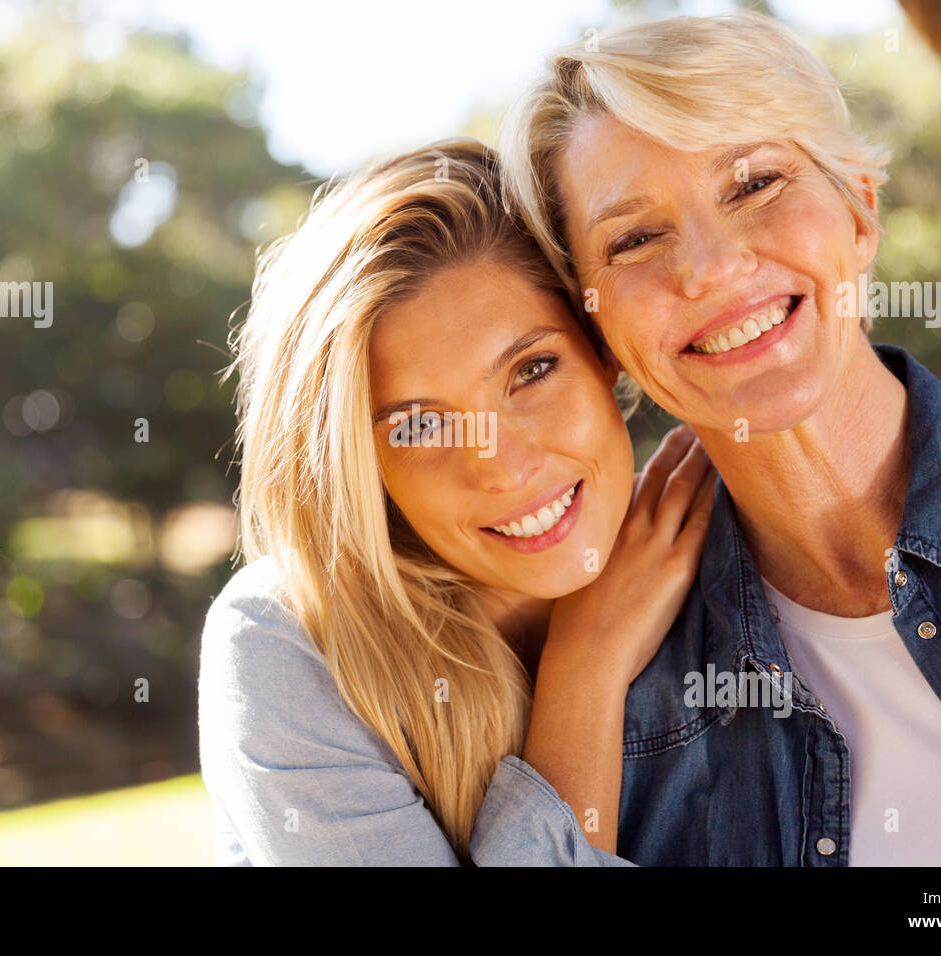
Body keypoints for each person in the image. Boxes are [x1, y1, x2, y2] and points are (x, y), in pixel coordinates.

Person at [499, 11, 941, 865]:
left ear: (859, 212)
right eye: (633, 239)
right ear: (596, 333)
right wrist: (579, 677)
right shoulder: (583, 685)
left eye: (755, 184)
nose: (710, 267)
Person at [198, 138, 715, 865]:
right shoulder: (290, 640)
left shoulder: (729, 551)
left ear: (603, 349)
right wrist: (586, 665)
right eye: (418, 425)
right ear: (359, 466)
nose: (502, 468)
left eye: (532, 370)